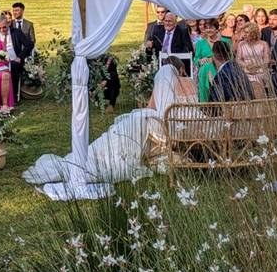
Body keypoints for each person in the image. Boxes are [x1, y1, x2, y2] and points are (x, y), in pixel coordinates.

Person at [23, 61, 197, 186]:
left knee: (126, 128)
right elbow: (200, 107)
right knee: (133, 125)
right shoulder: (191, 83)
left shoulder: (163, 85)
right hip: (179, 126)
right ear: (182, 69)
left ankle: (87, 156)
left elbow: (151, 107)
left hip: (161, 126)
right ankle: (95, 155)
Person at [0, 15, 34, 100]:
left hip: (15, 61)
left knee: (13, 67)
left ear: (8, 24)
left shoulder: (16, 32)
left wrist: (20, 57)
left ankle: (13, 96)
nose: (2, 30)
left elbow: (29, 44)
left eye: (4, 27)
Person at [234, 22, 272, 99]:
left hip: (260, 70)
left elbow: (267, 60)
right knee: (245, 79)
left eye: (247, 32)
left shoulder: (263, 44)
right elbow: (238, 59)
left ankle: (260, 102)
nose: (245, 34)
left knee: (256, 80)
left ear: (253, 33)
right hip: (246, 70)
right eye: (244, 32)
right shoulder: (241, 44)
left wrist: (256, 66)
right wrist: (246, 66)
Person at [194, 18, 220, 102]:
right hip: (204, 68)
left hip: (219, 68)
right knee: (206, 67)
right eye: (207, 28)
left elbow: (229, 57)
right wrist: (200, 61)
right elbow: (196, 59)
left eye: (211, 27)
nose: (209, 30)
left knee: (208, 66)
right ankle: (215, 86)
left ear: (217, 29)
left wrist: (212, 59)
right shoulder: (200, 43)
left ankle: (204, 103)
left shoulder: (224, 41)